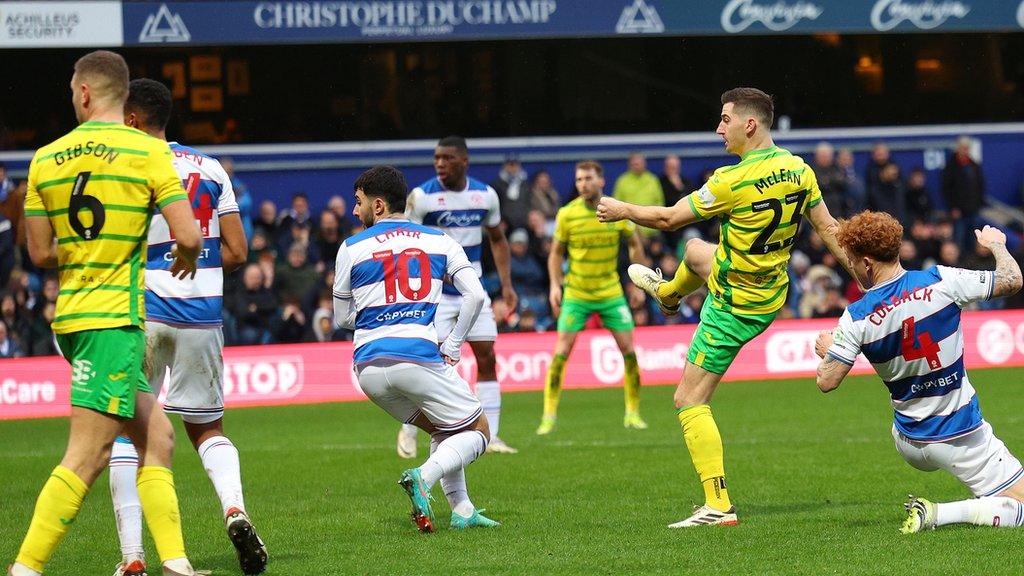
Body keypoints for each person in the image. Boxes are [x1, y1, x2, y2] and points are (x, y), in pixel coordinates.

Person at [596, 87, 853, 528]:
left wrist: (622, 209)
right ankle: (669, 295)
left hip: (735, 302)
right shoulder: (798, 168)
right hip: (772, 289)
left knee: (688, 399)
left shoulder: (730, 181)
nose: (719, 128)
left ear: (748, 125)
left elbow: (666, 220)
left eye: (724, 119)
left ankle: (717, 506)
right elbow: (829, 227)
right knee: (697, 250)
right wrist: (866, 277)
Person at [10, 50, 203, 576]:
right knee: (88, 456)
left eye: (73, 88)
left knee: (156, 435)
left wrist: (86, 251)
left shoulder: (45, 158)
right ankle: (25, 568)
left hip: (74, 317)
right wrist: (184, 254)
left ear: (87, 92)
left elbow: (40, 253)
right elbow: (189, 234)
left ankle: (176, 564)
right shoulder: (145, 152)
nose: (73, 96)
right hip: (112, 320)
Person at [108, 78, 267, 576]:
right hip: (202, 313)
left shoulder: (127, 162)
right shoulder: (212, 167)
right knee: (207, 428)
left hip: (144, 309)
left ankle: (133, 556)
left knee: (124, 431)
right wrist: (203, 265)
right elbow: (239, 252)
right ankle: (234, 509)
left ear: (132, 118)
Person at [813, 211, 1024, 533]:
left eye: (853, 260)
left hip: (909, 439)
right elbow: (1012, 280)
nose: (852, 267)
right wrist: (997, 245)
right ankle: (938, 513)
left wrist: (830, 350)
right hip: (958, 433)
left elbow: (826, 381)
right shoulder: (941, 281)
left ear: (867, 263)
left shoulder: (855, 317)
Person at [334, 165, 498, 532]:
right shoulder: (439, 241)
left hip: (368, 370)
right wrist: (453, 344)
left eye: (358, 203)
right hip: (417, 357)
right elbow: (475, 295)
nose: (354, 211)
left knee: (444, 429)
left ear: (378, 206)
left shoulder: (350, 248)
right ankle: (422, 476)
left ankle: (463, 509)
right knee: (480, 431)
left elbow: (343, 317)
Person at [401, 135, 519, 456]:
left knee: (487, 357)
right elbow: (408, 246)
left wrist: (506, 285)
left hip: (473, 290)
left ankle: (491, 436)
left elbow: (497, 239)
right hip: (435, 293)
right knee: (428, 363)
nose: (440, 164)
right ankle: (410, 428)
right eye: (437, 158)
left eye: (447, 158)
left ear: (464, 161)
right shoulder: (421, 197)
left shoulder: (485, 195)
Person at [537, 160, 648, 434]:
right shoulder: (567, 214)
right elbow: (556, 254)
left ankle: (632, 413)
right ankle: (548, 417)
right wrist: (555, 285)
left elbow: (634, 244)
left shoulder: (616, 211)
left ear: (601, 181)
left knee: (630, 352)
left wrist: (638, 282)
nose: (583, 184)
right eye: (578, 180)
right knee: (561, 352)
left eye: (588, 178)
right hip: (577, 292)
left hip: (610, 292)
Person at [942, 136, 986, 251]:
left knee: (973, 237)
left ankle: (972, 262)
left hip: (973, 209)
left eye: (967, 148)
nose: (965, 150)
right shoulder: (950, 166)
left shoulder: (974, 165)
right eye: (962, 148)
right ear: (958, 148)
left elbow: (980, 186)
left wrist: (979, 204)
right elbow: (947, 189)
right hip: (958, 211)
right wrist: (953, 207)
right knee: (959, 239)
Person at [612, 152, 663, 237]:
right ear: (629, 165)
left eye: (639, 163)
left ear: (644, 164)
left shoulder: (653, 180)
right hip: (629, 231)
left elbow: (660, 204)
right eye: (634, 164)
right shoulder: (622, 181)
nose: (637, 166)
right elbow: (617, 206)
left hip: (652, 230)